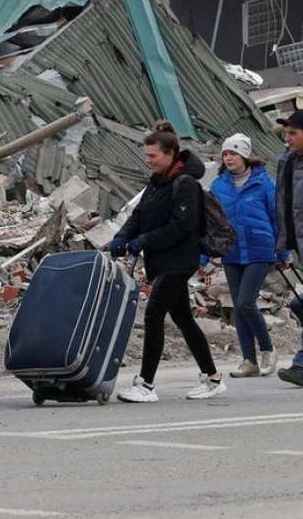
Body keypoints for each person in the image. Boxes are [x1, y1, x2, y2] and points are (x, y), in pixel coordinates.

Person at [109, 120, 226, 403]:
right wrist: (121, 238)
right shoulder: (156, 183)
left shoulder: (185, 184)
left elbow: (181, 226)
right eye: (147, 155)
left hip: (179, 260)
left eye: (153, 156)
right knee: (183, 318)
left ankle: (146, 384)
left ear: (170, 153)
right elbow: (138, 216)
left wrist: (143, 241)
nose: (148, 161)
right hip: (162, 261)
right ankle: (212, 378)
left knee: (153, 315)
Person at [202, 134, 280, 378]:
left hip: (259, 248)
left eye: (233, 153)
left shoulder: (265, 183)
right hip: (232, 251)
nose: (228, 157)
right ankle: (250, 361)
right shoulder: (218, 186)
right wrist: (203, 259)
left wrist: (284, 251)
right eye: (225, 154)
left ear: (245, 155)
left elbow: (277, 219)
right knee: (239, 306)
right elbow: (211, 225)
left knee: (246, 301)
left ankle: (268, 349)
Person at [275, 110, 303, 387]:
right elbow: (283, 206)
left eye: (293, 133)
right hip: (298, 247)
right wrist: (282, 245)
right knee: (299, 303)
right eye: (286, 133)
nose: (288, 138)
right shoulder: (288, 163)